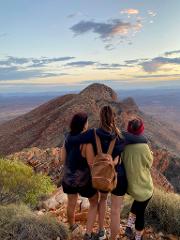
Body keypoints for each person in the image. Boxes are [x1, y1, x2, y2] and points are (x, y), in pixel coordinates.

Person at [66, 107, 148, 240]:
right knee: (115, 212)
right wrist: (116, 160)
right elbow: (141, 139)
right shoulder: (121, 136)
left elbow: (72, 140)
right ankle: (109, 236)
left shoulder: (92, 134)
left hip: (98, 176)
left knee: (99, 200)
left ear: (100, 118)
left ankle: (97, 230)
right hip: (117, 177)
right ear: (114, 118)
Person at [61, 112, 98, 235]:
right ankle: (89, 231)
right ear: (83, 125)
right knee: (94, 201)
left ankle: (72, 226)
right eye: (86, 122)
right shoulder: (86, 142)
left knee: (71, 202)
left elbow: (62, 159)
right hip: (83, 180)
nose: (88, 124)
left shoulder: (67, 139)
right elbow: (91, 163)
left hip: (68, 178)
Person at [122, 118, 154, 240]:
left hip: (131, 186)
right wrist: (150, 154)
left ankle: (129, 226)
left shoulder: (124, 146)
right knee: (141, 212)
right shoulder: (144, 146)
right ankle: (138, 237)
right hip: (143, 186)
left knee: (138, 202)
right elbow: (149, 164)